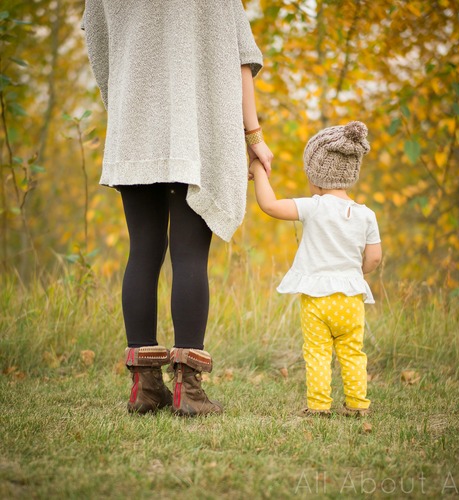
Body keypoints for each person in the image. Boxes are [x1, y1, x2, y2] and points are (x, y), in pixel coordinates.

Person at [81, 0, 273, 416]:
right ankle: (189, 390)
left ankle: (145, 387)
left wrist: (128, 109)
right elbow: (241, 60)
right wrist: (254, 136)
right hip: (195, 132)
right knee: (189, 255)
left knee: (143, 251)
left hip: (135, 130)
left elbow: (98, 44)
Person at [249, 121, 382, 417]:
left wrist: (258, 169)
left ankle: (319, 405)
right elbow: (373, 259)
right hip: (351, 300)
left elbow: (269, 205)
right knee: (352, 353)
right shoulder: (366, 215)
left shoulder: (314, 206)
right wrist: (354, 273)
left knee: (318, 353)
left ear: (317, 176)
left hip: (316, 301)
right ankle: (358, 404)